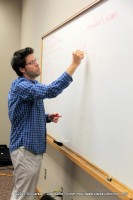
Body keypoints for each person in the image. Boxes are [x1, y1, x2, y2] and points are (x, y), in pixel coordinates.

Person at [8, 47, 84, 200]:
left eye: (35, 60)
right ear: (22, 69)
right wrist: (74, 64)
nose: (37, 64)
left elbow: (26, 117)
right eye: (32, 62)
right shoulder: (21, 86)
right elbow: (51, 90)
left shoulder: (32, 85)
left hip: (30, 150)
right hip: (25, 150)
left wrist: (47, 117)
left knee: (25, 194)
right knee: (22, 195)